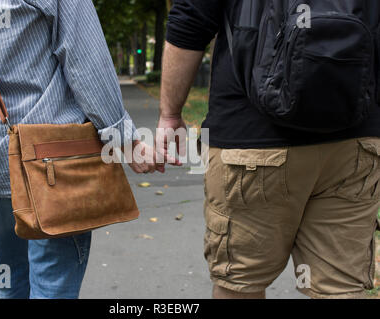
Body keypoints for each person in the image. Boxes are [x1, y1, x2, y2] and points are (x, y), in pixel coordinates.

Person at [0, 0, 161, 299]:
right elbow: (86, 63)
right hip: (52, 161)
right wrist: (125, 139)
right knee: (53, 282)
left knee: (7, 272)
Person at [157, 0, 380, 299]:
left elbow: (191, 20)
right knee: (340, 289)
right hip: (355, 143)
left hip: (252, 145)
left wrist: (170, 114)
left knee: (240, 284)